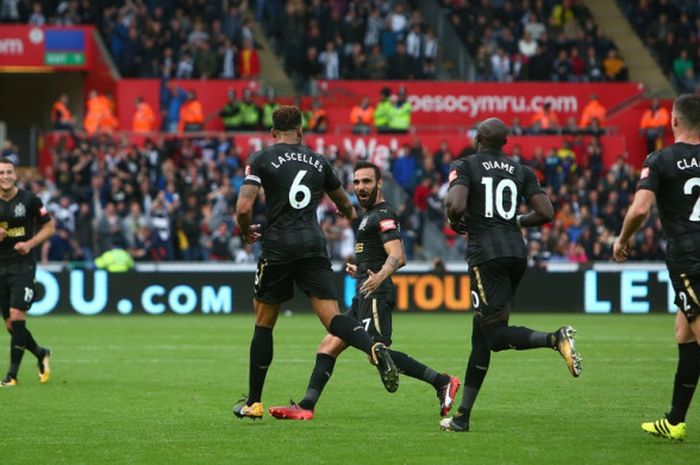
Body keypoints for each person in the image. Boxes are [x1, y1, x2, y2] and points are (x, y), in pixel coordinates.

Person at [232, 106, 399, 420]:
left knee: (264, 323)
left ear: (272, 133)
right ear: (300, 131)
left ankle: (253, 403)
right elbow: (346, 206)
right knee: (332, 319)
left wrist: (245, 231)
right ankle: (374, 348)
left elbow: (243, 207)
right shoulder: (318, 161)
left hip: (278, 247)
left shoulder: (260, 158)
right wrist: (351, 219)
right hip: (312, 244)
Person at [268, 161, 460, 420]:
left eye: (367, 181)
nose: (360, 186)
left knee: (376, 354)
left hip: (376, 295)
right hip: (363, 294)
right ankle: (306, 406)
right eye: (357, 182)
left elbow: (398, 256)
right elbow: (378, 255)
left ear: (379, 184)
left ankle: (442, 381)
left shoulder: (383, 215)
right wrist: (359, 272)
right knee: (327, 346)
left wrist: (378, 277)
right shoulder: (366, 217)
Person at [440, 118, 582, 432]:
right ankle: (462, 417)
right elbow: (546, 212)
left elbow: (457, 204)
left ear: (477, 137)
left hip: (485, 256)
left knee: (493, 336)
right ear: (505, 144)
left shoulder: (464, 165)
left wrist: (452, 219)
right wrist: (516, 220)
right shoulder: (522, 170)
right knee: (481, 336)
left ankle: (554, 339)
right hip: (516, 254)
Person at [613, 94, 700, 441]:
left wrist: (622, 240)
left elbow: (639, 210)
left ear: (674, 121)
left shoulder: (661, 159)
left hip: (689, 261)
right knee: (684, 333)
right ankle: (675, 420)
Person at [0, 157, 54, 387]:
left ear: (15, 174)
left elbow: (50, 227)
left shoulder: (29, 199)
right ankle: (41, 353)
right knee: (11, 325)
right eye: (1, 173)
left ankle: (11, 376)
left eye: (9, 172)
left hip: (23, 265)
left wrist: (30, 245)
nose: (5, 176)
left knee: (18, 314)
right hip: (1, 266)